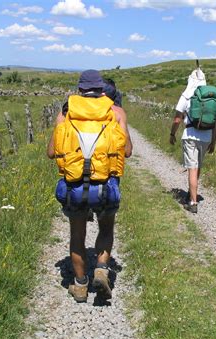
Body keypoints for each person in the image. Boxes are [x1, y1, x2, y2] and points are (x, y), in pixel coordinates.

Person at [47, 69, 133, 302]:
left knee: (77, 234)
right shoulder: (116, 112)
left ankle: (80, 285)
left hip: (74, 186)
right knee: (106, 229)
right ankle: (101, 269)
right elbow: (127, 151)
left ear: (80, 89)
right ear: (101, 90)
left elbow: (52, 152)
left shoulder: (66, 113)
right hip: (106, 185)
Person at [169, 67, 216, 214]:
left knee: (192, 167)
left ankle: (193, 201)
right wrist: (213, 141)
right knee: (197, 167)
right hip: (206, 136)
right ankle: (192, 193)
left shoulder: (186, 95)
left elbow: (177, 119)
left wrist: (172, 134)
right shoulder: (212, 97)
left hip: (190, 135)